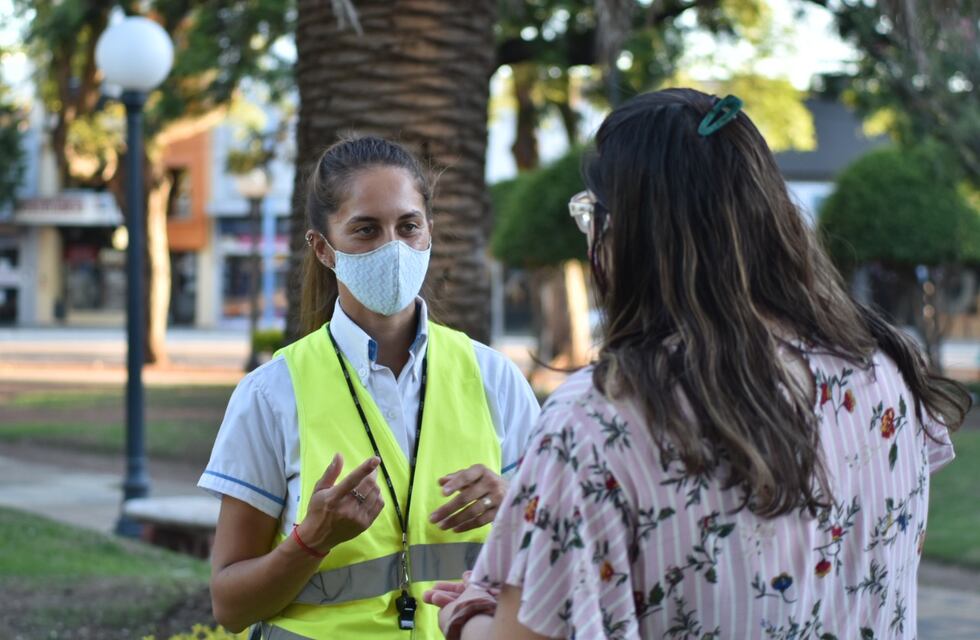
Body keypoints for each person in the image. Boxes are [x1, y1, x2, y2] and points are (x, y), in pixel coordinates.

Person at [426, 88, 969, 639]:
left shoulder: (598, 419)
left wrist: (468, 616)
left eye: (591, 216)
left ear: (628, 232)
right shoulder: (885, 370)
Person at [199, 135, 540, 639]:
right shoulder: (272, 393)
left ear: (430, 233)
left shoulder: (494, 378)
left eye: (408, 226)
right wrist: (310, 541)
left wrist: (517, 506)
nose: (393, 249)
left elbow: (567, 555)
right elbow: (230, 606)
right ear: (323, 248)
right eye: (365, 230)